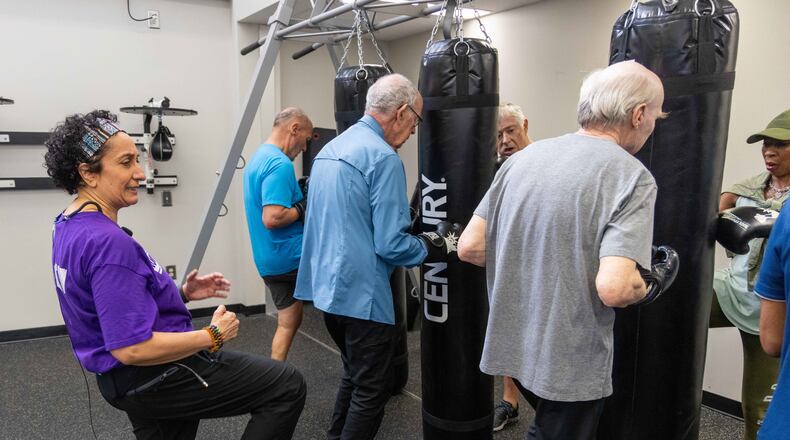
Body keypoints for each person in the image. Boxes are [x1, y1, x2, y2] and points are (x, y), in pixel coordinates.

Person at [45, 110, 306, 440]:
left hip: (124, 380)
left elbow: (103, 299)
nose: (139, 173)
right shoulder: (107, 243)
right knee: (286, 385)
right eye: (126, 163)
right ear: (88, 173)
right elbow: (133, 349)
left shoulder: (67, 223)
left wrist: (176, 294)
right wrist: (212, 336)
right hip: (153, 374)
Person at [457, 60, 678, 439]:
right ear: (639, 115)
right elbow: (615, 287)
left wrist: (538, 259)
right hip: (570, 358)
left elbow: (470, 247)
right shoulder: (631, 175)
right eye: (656, 117)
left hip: (513, 342)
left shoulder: (521, 161)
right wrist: (652, 281)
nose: (653, 125)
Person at [294, 73, 459, 440]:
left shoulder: (329, 151)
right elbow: (392, 247)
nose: (414, 131)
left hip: (327, 293)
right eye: (415, 121)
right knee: (372, 390)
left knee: (355, 376)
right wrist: (437, 244)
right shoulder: (383, 158)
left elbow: (344, 222)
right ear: (401, 113)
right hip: (362, 297)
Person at [712, 108, 790, 440]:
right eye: (764, 145)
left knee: (759, 408)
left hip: (770, 311)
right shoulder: (750, 188)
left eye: (779, 144)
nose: (768, 152)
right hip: (733, 289)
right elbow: (716, 206)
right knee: (673, 304)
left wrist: (770, 217)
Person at [243, 107, 314, 361]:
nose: (305, 148)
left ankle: (275, 374)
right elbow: (273, 217)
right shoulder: (279, 164)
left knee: (288, 320)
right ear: (294, 129)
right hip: (291, 257)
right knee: (348, 290)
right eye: (306, 139)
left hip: (268, 260)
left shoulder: (258, 158)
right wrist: (303, 206)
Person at [491, 102, 533, 432]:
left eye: (510, 131)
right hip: (505, 264)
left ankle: (548, 404)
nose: (504, 140)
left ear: (525, 125)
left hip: (539, 265)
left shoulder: (543, 162)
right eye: (498, 135)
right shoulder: (497, 169)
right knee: (508, 331)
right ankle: (510, 401)